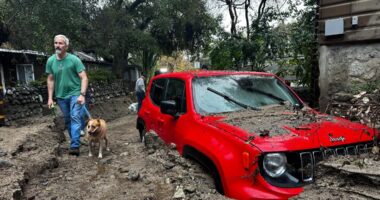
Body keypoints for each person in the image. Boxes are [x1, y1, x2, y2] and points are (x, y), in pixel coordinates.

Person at [46, 34, 88, 156]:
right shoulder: (51, 61)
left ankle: (74, 145)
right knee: (68, 120)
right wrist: (50, 98)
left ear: (66, 46)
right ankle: (75, 140)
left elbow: (84, 78)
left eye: (60, 43)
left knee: (75, 116)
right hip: (60, 96)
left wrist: (82, 94)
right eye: (56, 43)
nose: (57, 45)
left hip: (75, 93)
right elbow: (50, 79)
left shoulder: (74, 60)